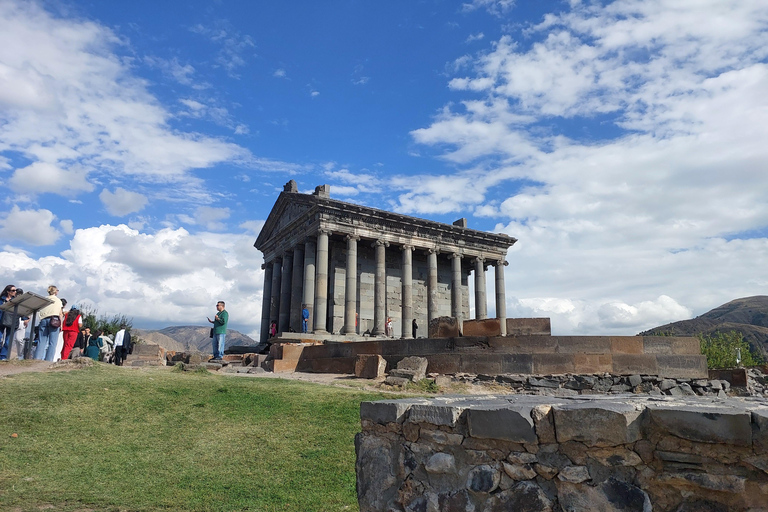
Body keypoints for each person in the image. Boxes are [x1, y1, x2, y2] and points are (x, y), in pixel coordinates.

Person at [34, 286, 63, 361]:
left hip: (43, 319)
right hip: (54, 320)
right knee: (52, 343)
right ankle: (48, 360)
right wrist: (61, 325)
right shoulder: (58, 301)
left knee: (41, 341)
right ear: (55, 291)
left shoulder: (44, 299)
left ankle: (37, 358)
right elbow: (60, 313)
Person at [0, 284, 18, 360]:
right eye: (13, 290)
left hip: (12, 322)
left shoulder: (16, 301)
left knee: (8, 341)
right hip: (1, 321)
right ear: (8, 291)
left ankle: (3, 357)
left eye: (15, 290)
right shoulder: (1, 300)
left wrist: (25, 319)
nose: (15, 292)